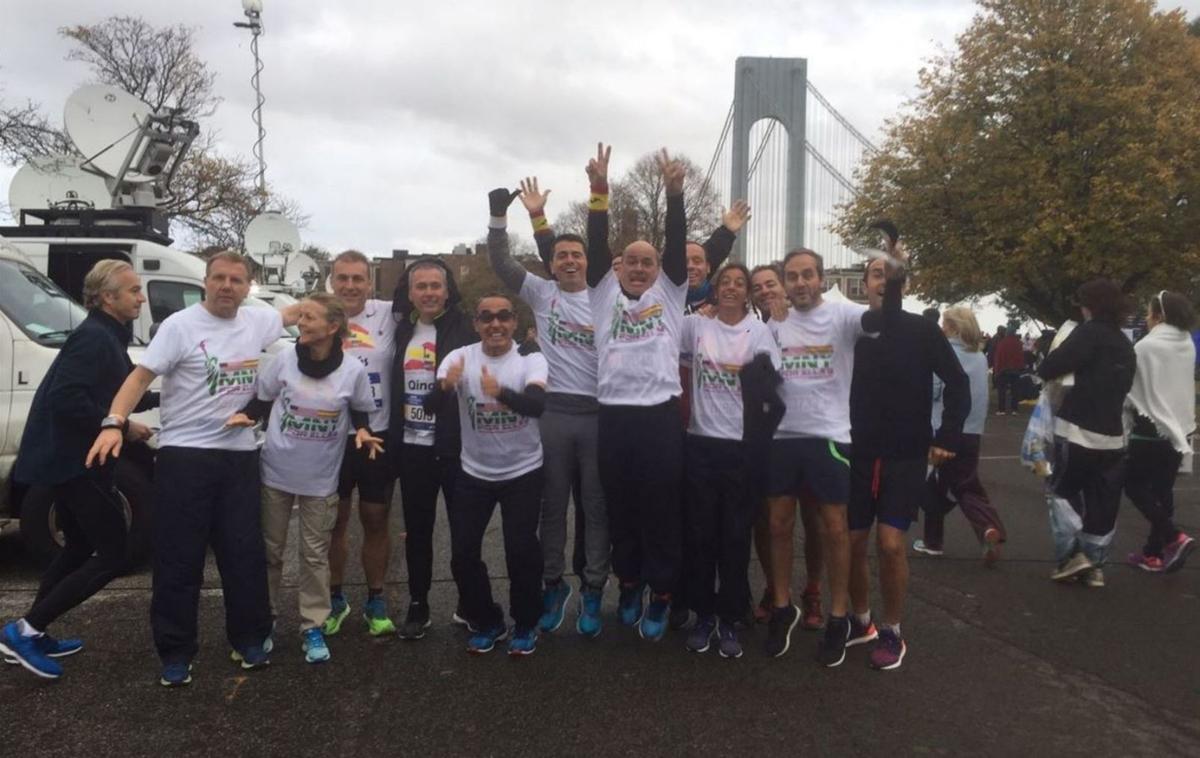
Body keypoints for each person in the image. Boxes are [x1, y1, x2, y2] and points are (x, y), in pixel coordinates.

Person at [86, 250, 299, 687]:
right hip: (185, 457)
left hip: (239, 456)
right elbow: (140, 378)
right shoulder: (179, 327)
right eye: (219, 278)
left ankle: (250, 638)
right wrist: (114, 422)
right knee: (179, 559)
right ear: (206, 282)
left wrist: (354, 301)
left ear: (247, 287)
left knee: (243, 554)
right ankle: (176, 651)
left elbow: (305, 311)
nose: (226, 286)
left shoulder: (257, 321)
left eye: (236, 280)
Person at [1, 261, 156, 679]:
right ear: (108, 298)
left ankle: (33, 631)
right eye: (133, 291)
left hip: (67, 459)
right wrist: (117, 424)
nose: (141, 297)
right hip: (73, 463)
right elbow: (68, 400)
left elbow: (120, 392)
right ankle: (24, 629)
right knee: (113, 553)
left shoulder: (106, 334)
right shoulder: (94, 338)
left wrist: (152, 402)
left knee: (76, 547)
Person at [226, 293, 381, 664]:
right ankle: (265, 623)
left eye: (310, 317)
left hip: (321, 480)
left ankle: (312, 626)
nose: (302, 321)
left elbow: (361, 411)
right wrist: (245, 416)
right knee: (270, 553)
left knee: (314, 557)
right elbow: (262, 400)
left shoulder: (352, 371)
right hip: (276, 473)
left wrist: (361, 432)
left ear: (332, 327)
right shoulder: (283, 361)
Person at [487, 180, 610, 637]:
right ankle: (553, 583)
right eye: (562, 256)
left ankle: (594, 589)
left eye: (577, 255)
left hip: (598, 415)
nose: (571, 261)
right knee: (552, 508)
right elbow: (500, 262)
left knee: (596, 508)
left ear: (587, 261)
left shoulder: (607, 295)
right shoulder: (541, 294)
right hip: (553, 414)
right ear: (552, 265)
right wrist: (501, 217)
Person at [845, 238, 969, 671]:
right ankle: (862, 621)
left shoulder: (920, 330)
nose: (881, 281)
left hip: (904, 452)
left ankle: (893, 629)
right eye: (874, 274)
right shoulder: (853, 328)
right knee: (853, 543)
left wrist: (947, 437)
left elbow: (957, 382)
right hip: (856, 450)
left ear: (899, 283)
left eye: (888, 274)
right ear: (864, 285)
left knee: (891, 543)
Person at [585, 143, 689, 642]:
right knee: (621, 505)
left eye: (648, 262)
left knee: (661, 508)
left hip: (660, 418)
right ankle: (629, 584)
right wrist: (598, 193)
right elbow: (596, 238)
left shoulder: (669, 296)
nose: (641, 268)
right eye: (632, 262)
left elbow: (677, 241)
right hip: (616, 419)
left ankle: (662, 592)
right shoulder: (601, 295)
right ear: (617, 267)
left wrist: (674, 195)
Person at [763, 248, 872, 660]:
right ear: (785, 282)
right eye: (792, 276)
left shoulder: (843, 315)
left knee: (833, 526)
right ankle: (780, 606)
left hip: (828, 434)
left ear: (821, 278)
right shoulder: (775, 322)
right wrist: (771, 325)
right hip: (783, 437)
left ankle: (839, 614)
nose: (800, 282)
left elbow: (881, 319)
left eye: (808, 274)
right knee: (777, 524)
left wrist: (892, 279)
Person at [432, 294, 549, 655]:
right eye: (486, 318)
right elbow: (430, 407)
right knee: (463, 554)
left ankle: (526, 622)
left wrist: (501, 393)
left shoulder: (530, 358)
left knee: (521, 551)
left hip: (523, 471)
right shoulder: (459, 358)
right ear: (477, 324)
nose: (495, 324)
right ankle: (487, 619)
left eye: (503, 317)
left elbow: (536, 406)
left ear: (514, 322)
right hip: (474, 471)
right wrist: (446, 387)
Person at [679, 263, 782, 658]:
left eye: (740, 284)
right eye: (726, 282)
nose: (732, 288)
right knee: (702, 535)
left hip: (741, 448)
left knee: (735, 539)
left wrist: (760, 439)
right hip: (701, 443)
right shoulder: (696, 327)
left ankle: (730, 617)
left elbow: (774, 391)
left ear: (747, 293)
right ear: (714, 287)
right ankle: (703, 614)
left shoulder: (758, 333)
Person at [389, 259, 479, 639]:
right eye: (420, 286)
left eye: (434, 286)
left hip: (454, 447)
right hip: (413, 448)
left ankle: (469, 602)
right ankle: (418, 603)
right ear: (409, 293)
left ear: (446, 290)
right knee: (419, 530)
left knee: (464, 532)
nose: (428, 293)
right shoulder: (401, 331)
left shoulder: (464, 329)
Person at [1038, 279, 1135, 588]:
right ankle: (1094, 563)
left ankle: (1070, 556)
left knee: (1062, 493)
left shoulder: (1088, 334)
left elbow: (1051, 367)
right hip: (1114, 436)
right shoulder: (1123, 342)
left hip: (1078, 430)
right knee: (1102, 502)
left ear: (1089, 305)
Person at [326, 250, 400, 637]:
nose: (350, 286)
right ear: (332, 281)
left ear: (369, 283)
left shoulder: (387, 313)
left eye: (358, 278)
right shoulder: (319, 313)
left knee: (375, 518)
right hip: (331, 437)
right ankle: (335, 598)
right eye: (343, 278)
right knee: (333, 522)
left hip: (377, 433)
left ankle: (375, 598)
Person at [913, 306, 1006, 563]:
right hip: (972, 431)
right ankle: (974, 530)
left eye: (945, 324)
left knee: (944, 486)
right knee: (957, 484)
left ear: (953, 327)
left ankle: (945, 538)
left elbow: (931, 391)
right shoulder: (979, 357)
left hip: (943, 430)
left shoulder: (943, 354)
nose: (941, 328)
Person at [1125, 291, 1196, 573]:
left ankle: (1173, 536)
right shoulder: (1187, 344)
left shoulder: (1146, 346)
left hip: (1148, 427)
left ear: (1159, 315)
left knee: (1133, 485)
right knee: (1163, 490)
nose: (1146, 317)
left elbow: (1131, 386)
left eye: (1149, 312)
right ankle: (1153, 552)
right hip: (1179, 429)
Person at [992, 325, 1025, 415]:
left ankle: (1001, 409)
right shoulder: (1019, 343)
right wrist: (1021, 368)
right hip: (1015, 370)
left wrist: (996, 371)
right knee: (1015, 391)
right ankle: (1014, 409)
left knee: (1001, 390)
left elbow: (998, 357)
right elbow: (1021, 357)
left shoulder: (1002, 343)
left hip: (1003, 370)